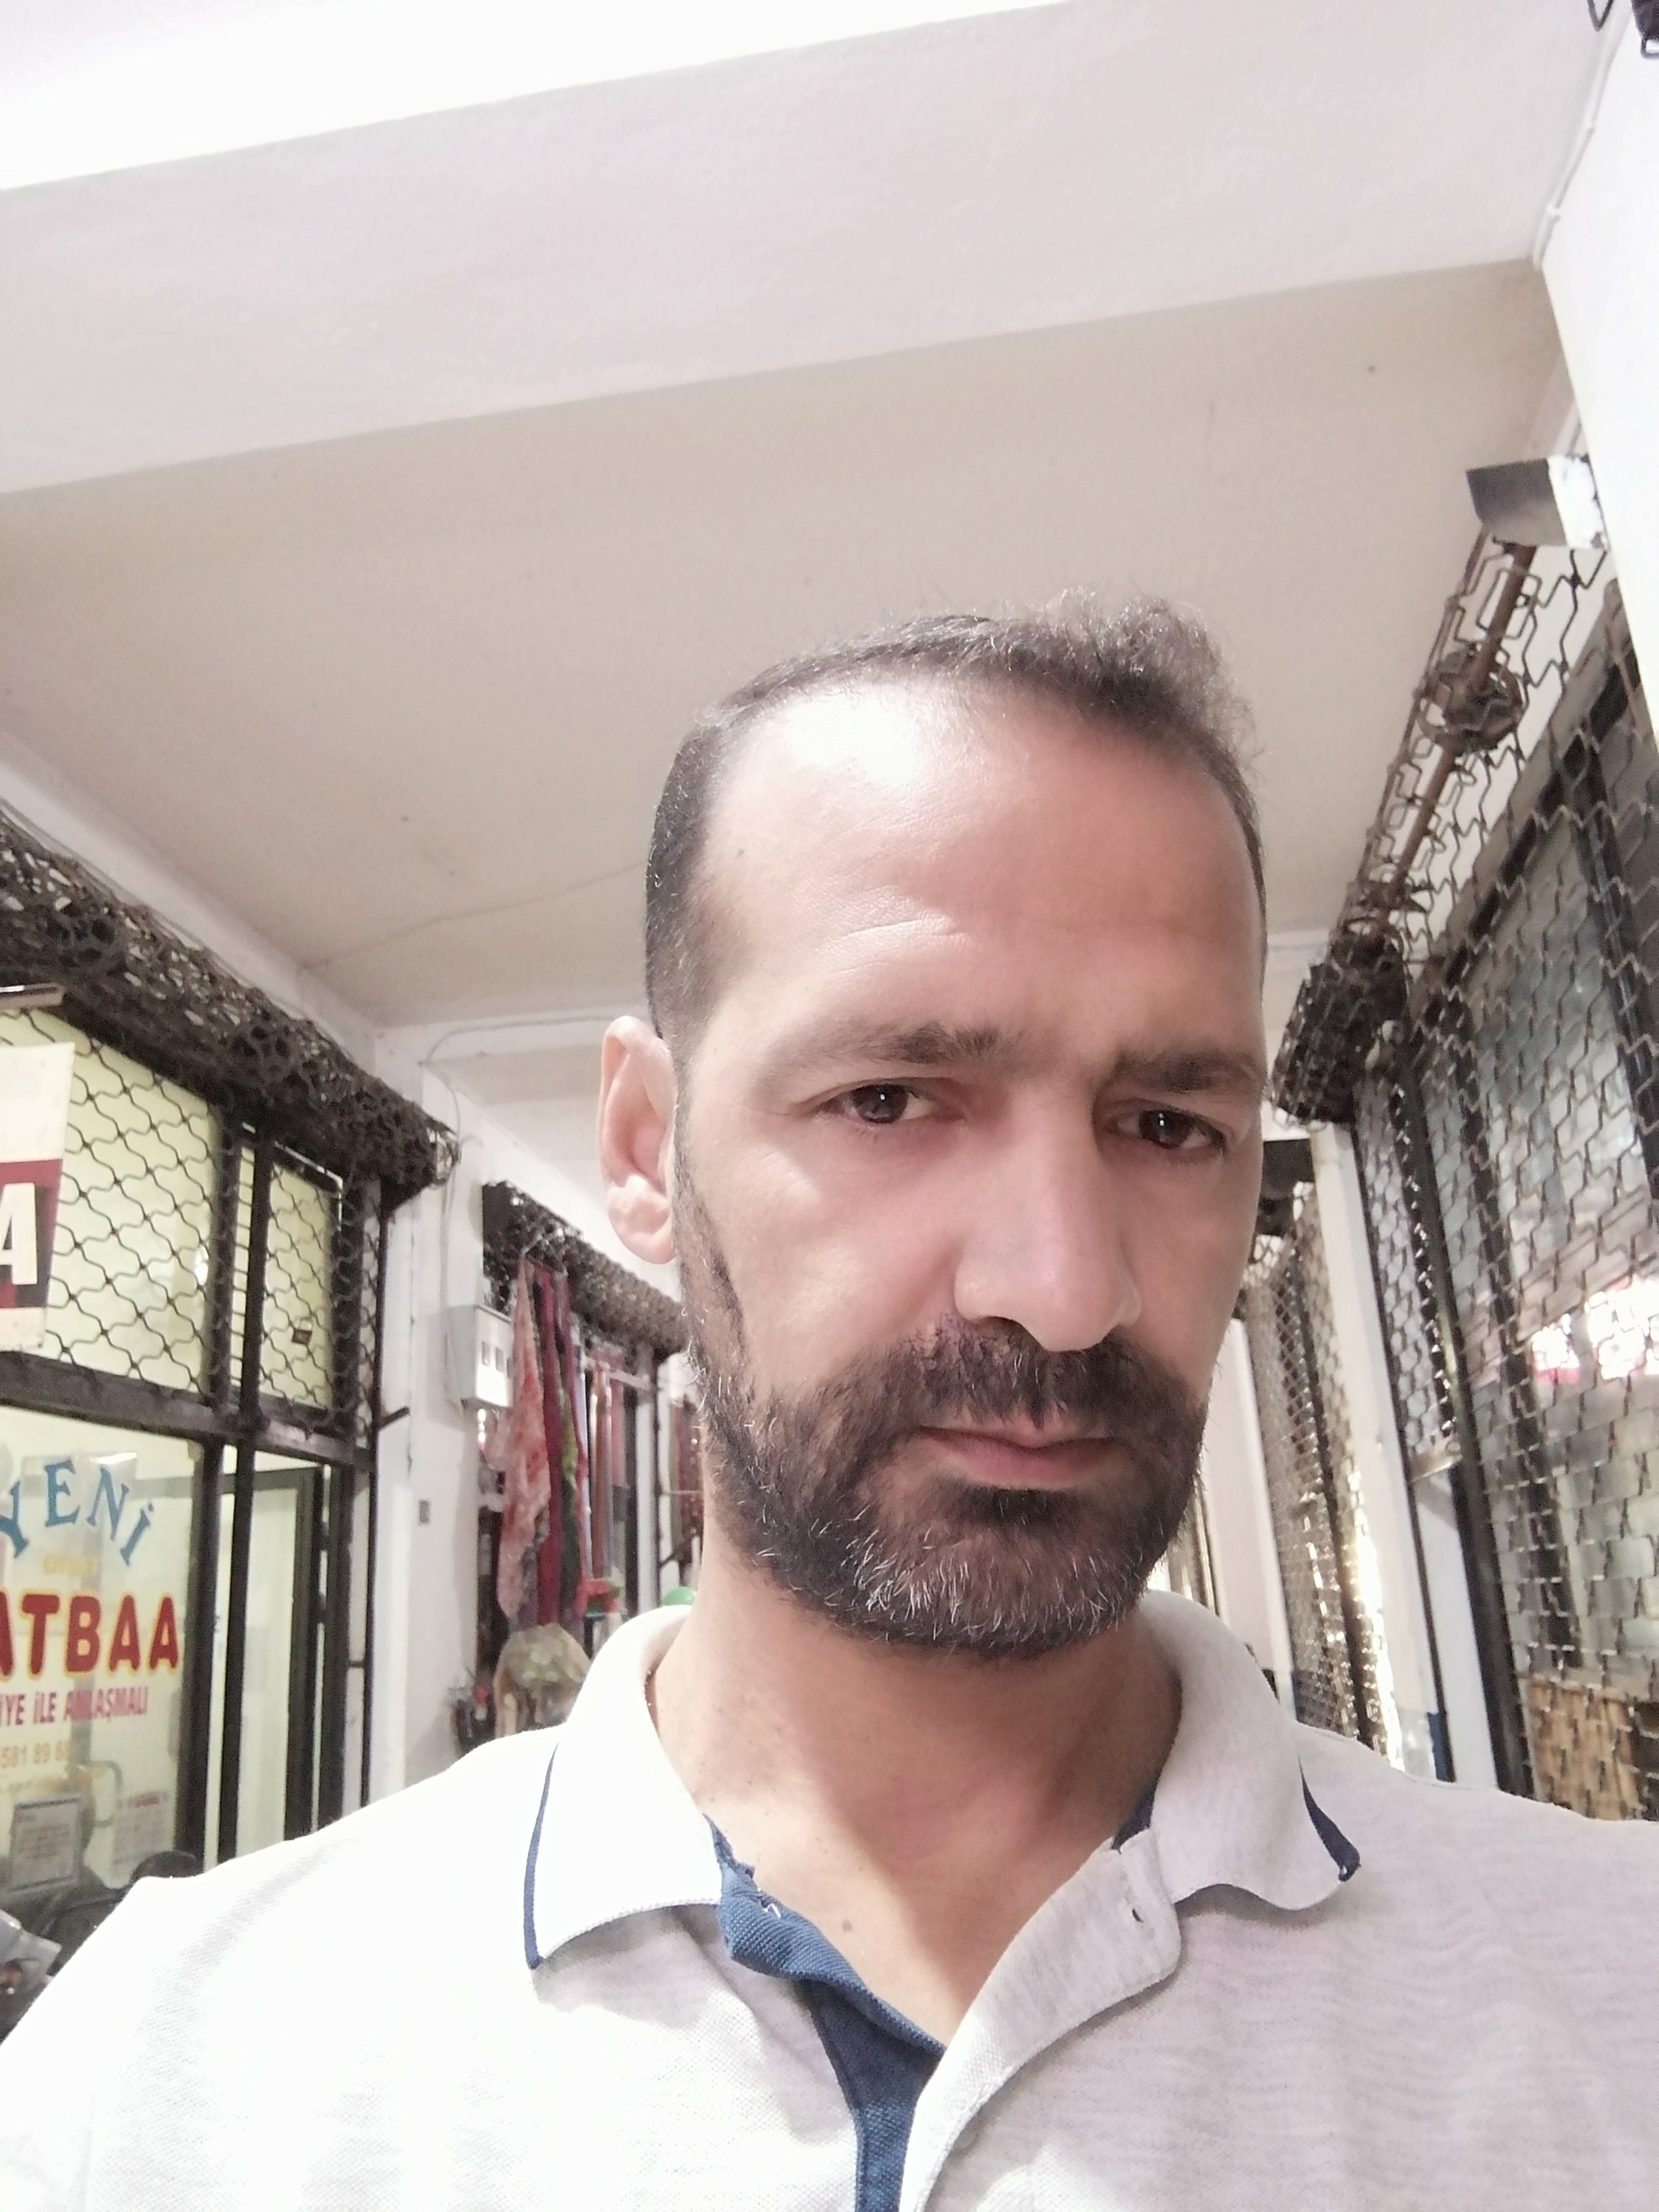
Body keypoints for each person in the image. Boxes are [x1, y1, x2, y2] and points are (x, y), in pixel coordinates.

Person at [1, 604, 1654, 2210]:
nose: (1064, 1289)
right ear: (646, 1150)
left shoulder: (1613, 2000)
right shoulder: (160, 2078)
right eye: (889, 1100)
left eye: (1169, 1126)